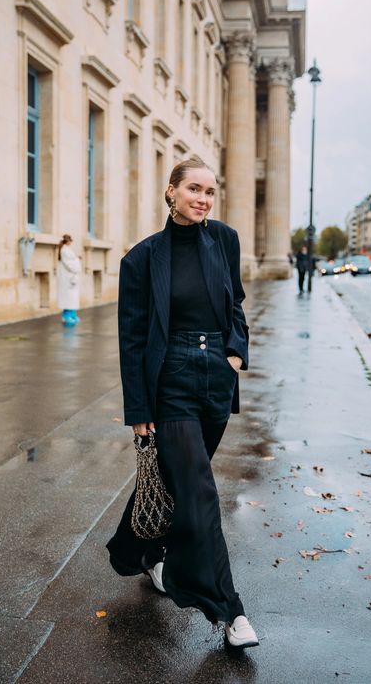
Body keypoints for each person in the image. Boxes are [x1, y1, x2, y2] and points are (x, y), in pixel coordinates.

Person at [106, 157, 259, 648]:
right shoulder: (143, 258)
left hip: (216, 373)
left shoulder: (225, 240)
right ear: (170, 191)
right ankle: (226, 609)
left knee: (175, 478)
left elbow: (234, 302)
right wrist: (139, 410)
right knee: (198, 491)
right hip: (168, 377)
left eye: (210, 192)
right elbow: (132, 338)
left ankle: (141, 552)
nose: (203, 198)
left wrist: (236, 352)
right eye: (194, 188)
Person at [57, 234, 82, 326]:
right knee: (68, 297)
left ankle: (72, 314)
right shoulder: (64, 250)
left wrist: (76, 259)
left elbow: (71, 260)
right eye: (70, 240)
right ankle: (67, 315)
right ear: (68, 241)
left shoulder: (66, 250)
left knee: (72, 297)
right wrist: (77, 261)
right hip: (68, 278)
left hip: (70, 278)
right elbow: (69, 264)